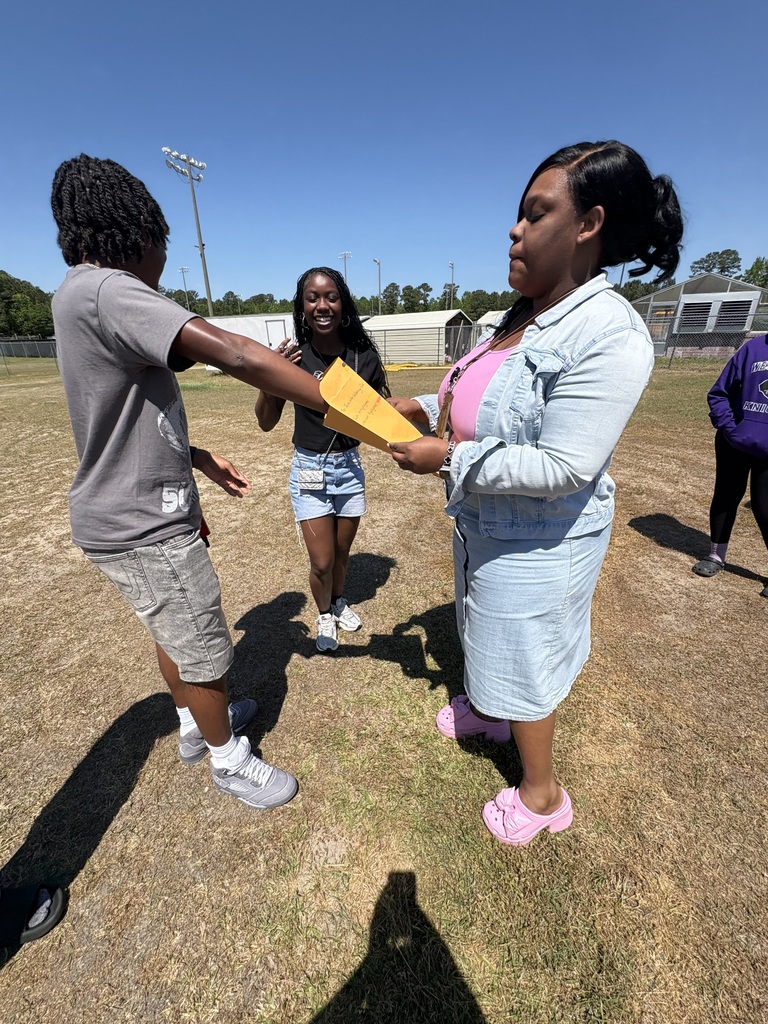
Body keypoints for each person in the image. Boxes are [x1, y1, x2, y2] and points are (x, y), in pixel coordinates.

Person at [388, 141, 683, 846]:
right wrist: (425, 404)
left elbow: (564, 464)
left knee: (526, 651)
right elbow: (485, 395)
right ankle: (493, 710)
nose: (514, 231)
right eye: (517, 215)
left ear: (590, 224)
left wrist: (448, 458)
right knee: (488, 635)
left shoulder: (610, 333)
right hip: (487, 526)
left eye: (534, 213)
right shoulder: (511, 317)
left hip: (541, 539)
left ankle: (542, 794)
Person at [50, 154, 327, 810]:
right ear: (138, 236)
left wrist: (195, 454)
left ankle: (196, 727)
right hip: (142, 522)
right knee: (202, 641)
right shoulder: (109, 289)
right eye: (161, 252)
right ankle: (229, 758)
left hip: (127, 508)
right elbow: (234, 352)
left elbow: (120, 416)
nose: (161, 272)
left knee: (172, 631)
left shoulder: (77, 297)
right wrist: (339, 405)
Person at [255, 267, 390, 652]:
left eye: (330, 296)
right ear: (302, 306)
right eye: (312, 298)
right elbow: (265, 423)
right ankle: (324, 614)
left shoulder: (362, 356)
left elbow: (380, 415)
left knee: (343, 553)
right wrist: (271, 374)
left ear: (343, 302)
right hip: (310, 469)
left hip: (349, 468)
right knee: (322, 560)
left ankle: (337, 601)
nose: (322, 305)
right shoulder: (294, 357)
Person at [692, 334, 768, 595]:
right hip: (733, 442)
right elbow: (719, 393)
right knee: (726, 496)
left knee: (764, 505)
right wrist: (730, 430)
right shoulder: (754, 349)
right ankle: (715, 555)